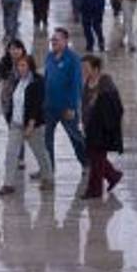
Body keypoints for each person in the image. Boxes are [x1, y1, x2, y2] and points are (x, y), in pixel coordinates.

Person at [0, 54, 53, 197]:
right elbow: (13, 101)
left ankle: (48, 178)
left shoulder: (38, 81)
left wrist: (31, 123)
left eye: (23, 65)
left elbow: (37, 104)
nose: (20, 68)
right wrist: (10, 118)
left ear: (30, 66)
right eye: (19, 65)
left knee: (40, 152)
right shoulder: (17, 81)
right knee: (10, 154)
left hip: (33, 125)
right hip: (16, 124)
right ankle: (8, 184)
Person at [43, 28, 90, 177]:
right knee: (47, 139)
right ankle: (49, 168)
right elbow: (46, 78)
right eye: (52, 40)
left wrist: (72, 107)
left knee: (75, 137)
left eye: (56, 40)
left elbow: (76, 84)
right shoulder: (49, 57)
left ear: (65, 41)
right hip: (50, 106)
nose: (53, 42)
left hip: (66, 107)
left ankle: (86, 163)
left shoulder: (73, 59)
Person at [81, 55, 123, 199]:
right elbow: (84, 104)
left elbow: (113, 104)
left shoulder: (105, 82)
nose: (84, 71)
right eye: (83, 68)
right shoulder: (87, 82)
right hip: (90, 126)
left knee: (96, 158)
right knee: (95, 157)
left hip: (102, 127)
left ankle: (94, 190)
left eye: (86, 68)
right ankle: (113, 175)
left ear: (96, 68)